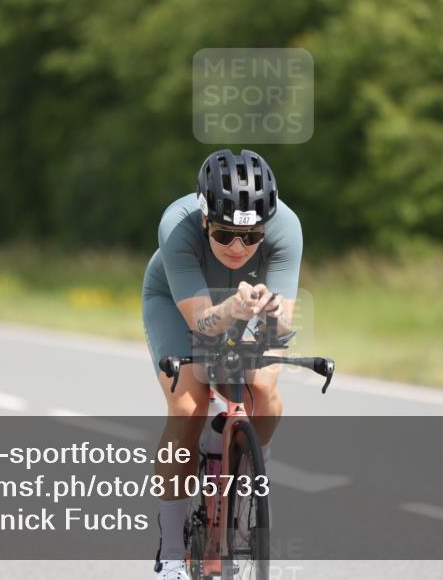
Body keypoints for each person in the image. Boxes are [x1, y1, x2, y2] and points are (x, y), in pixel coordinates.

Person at [142, 149, 303, 579]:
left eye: (251, 239)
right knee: (189, 404)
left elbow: (283, 328)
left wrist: (272, 317)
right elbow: (203, 327)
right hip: (180, 306)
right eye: (225, 234)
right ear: (204, 219)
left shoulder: (287, 229)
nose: (238, 247)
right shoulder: (176, 226)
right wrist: (231, 307)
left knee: (265, 389)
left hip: (246, 306)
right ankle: (172, 553)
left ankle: (245, 458)